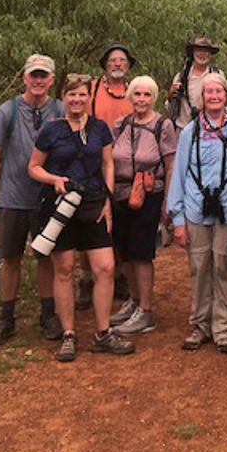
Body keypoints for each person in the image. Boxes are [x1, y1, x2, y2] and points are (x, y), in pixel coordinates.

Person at [28, 73, 135, 361]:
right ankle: (68, 334)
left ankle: (102, 333)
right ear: (63, 97)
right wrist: (54, 179)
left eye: (82, 94)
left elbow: (108, 164)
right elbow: (33, 167)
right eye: (71, 94)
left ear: (90, 97)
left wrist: (108, 201)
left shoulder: (100, 128)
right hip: (60, 208)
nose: (77, 99)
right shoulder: (51, 130)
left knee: (105, 268)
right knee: (63, 270)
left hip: (93, 204)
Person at [167, 72, 227, 354]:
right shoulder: (190, 133)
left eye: (219, 91)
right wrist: (177, 219)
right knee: (199, 267)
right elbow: (178, 175)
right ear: (201, 98)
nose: (214, 97)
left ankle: (223, 328)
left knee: (222, 267)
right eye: (209, 92)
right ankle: (200, 324)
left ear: (226, 95)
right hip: (195, 210)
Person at [0, 54, 65, 346]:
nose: (38, 81)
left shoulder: (61, 110)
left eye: (44, 76)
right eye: (34, 75)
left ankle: (48, 314)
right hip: (12, 197)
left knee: (46, 258)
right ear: (25, 78)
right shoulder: (8, 111)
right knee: (10, 259)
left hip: (47, 199)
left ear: (52, 79)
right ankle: (6, 319)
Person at [109, 76, 177, 335]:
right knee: (124, 250)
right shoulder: (121, 124)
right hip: (120, 194)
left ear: (154, 97)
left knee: (141, 252)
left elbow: (170, 166)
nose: (141, 99)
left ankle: (146, 311)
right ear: (130, 96)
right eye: (137, 94)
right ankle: (135, 301)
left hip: (150, 193)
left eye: (147, 95)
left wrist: (169, 201)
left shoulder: (163, 125)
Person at [76, 42, 136, 309]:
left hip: (125, 167)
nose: (117, 64)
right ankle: (87, 279)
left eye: (122, 60)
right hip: (92, 164)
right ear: (104, 64)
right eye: (112, 60)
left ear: (128, 65)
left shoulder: (135, 92)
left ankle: (120, 275)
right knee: (89, 223)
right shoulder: (92, 90)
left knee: (120, 224)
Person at [166, 36, 224, 130]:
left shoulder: (218, 75)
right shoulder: (181, 77)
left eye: (206, 51)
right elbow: (170, 105)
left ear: (210, 54)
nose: (202, 54)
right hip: (183, 129)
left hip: (211, 130)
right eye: (199, 50)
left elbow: (226, 102)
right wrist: (171, 93)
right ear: (193, 53)